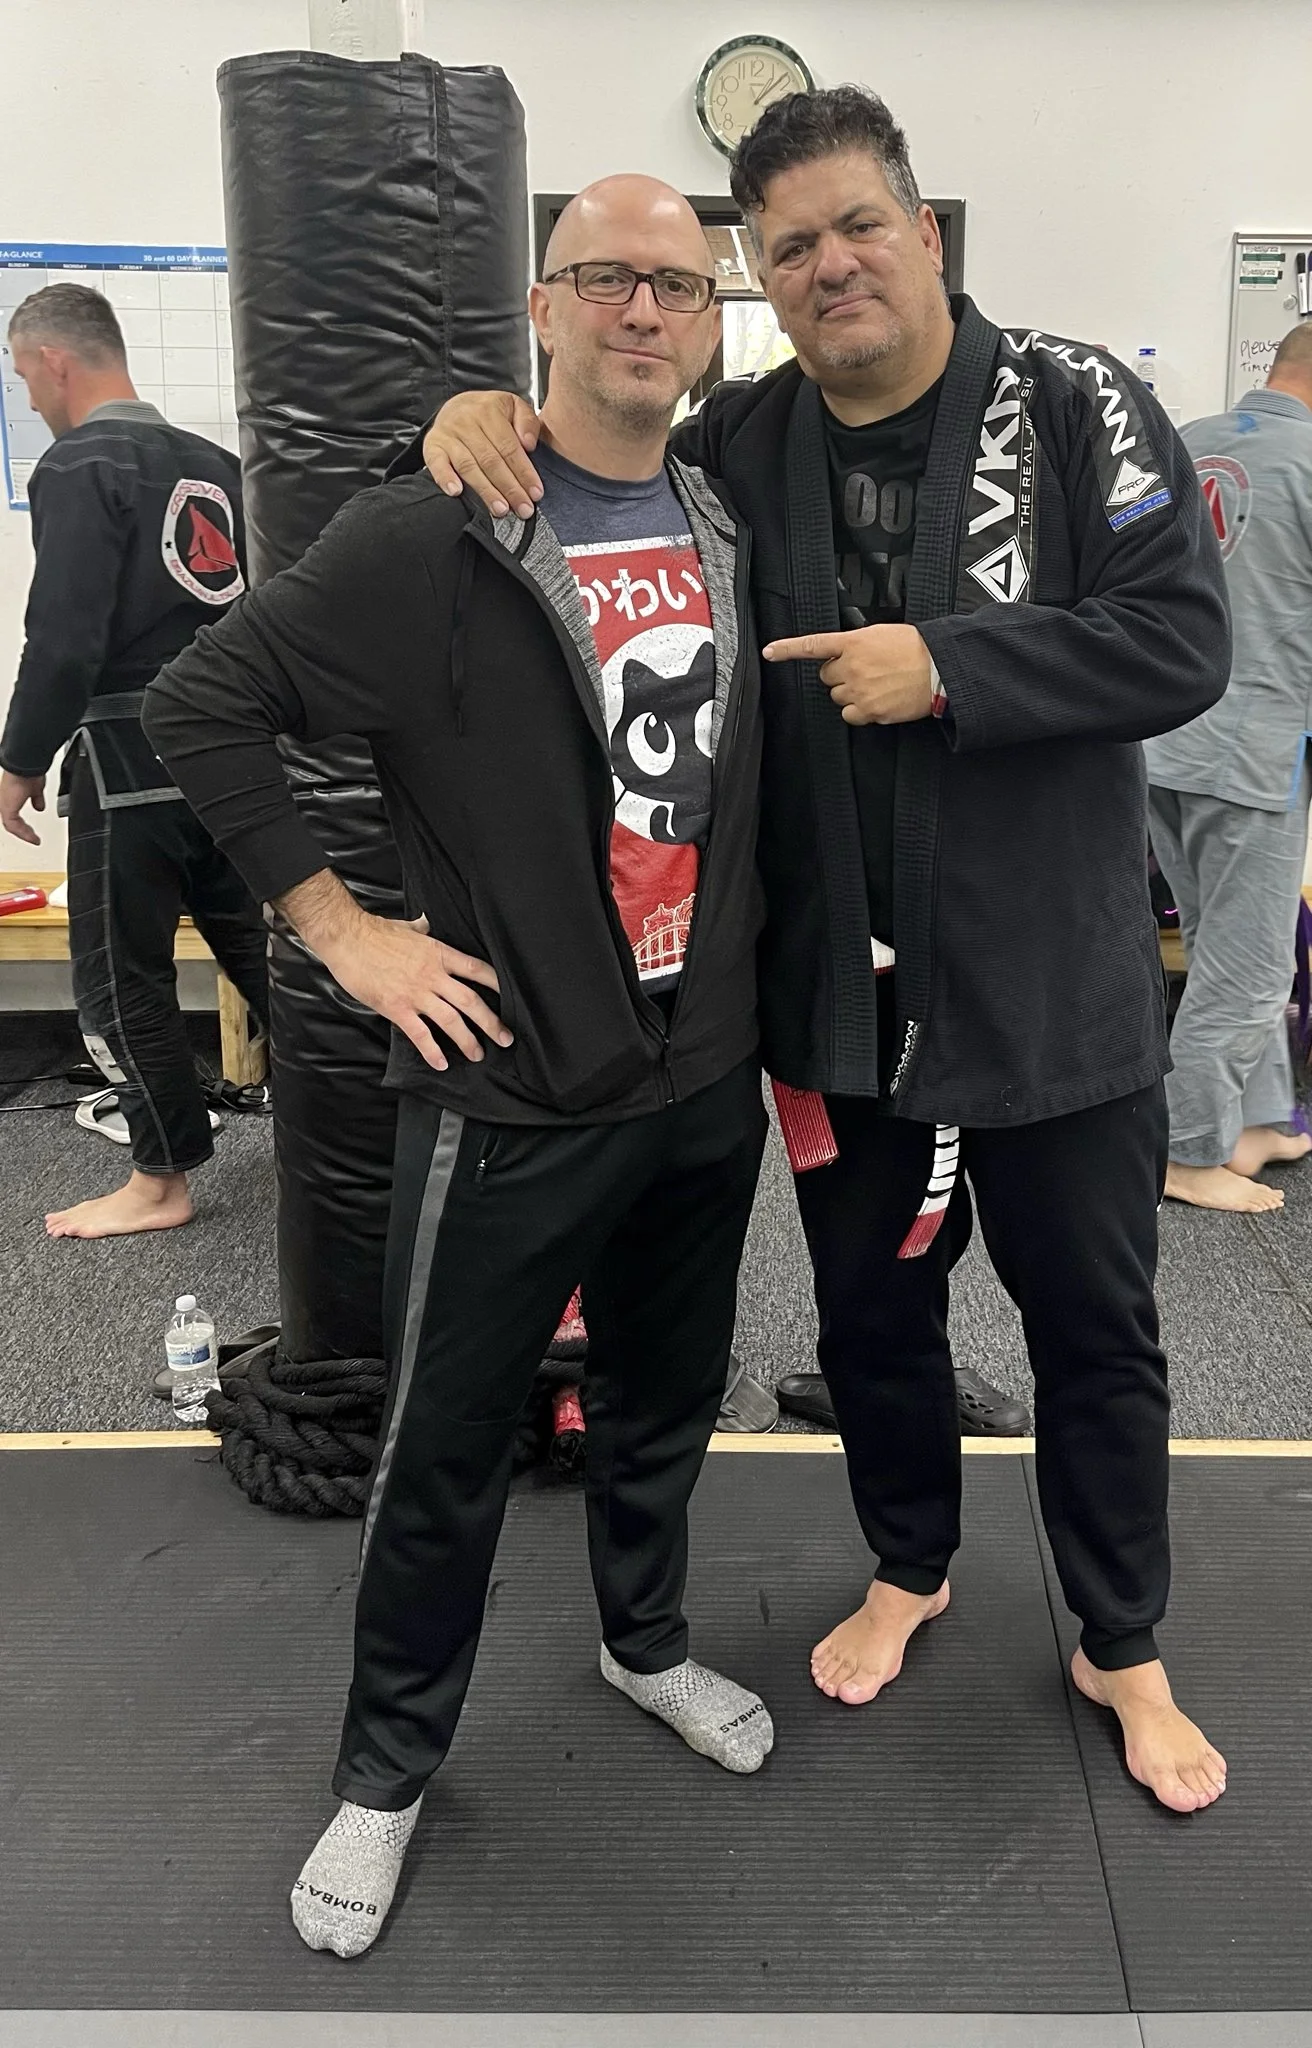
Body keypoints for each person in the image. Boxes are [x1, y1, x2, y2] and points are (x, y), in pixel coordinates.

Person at [416, 87, 1234, 1813]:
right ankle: (908, 1562)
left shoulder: (1078, 401)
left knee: (1096, 1328)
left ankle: (1120, 1635)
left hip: (1052, 993)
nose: (827, 263)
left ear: (923, 231)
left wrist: (949, 667)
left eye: (856, 224)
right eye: (786, 247)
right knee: (874, 1318)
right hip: (840, 1011)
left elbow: (1180, 640)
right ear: (759, 286)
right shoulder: (741, 447)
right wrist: (478, 412)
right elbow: (588, 488)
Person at [145, 176, 774, 1960]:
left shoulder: (722, 511)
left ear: (708, 316)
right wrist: (344, 936)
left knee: (665, 1395)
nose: (642, 308)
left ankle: (641, 1641)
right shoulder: (435, 527)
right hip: (518, 1086)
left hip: (699, 1071)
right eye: (607, 280)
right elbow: (204, 704)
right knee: (441, 1448)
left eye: (675, 281)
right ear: (542, 309)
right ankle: (388, 1763)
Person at [0, 283, 268, 1239]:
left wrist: (19, 760)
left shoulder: (81, 463)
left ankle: (160, 1180)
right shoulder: (220, 464)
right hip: (234, 754)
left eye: (24, 376)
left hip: (131, 757)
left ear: (55, 361)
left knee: (120, 977)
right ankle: (355, 1128)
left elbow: (65, 639)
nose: (28, 398)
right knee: (267, 957)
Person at [1144, 325, 1312, 1214]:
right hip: (1254, 755)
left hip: (1162, 742)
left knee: (1220, 942)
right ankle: (1187, 1150)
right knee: (1251, 969)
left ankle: (1261, 1122)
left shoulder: (1184, 442)